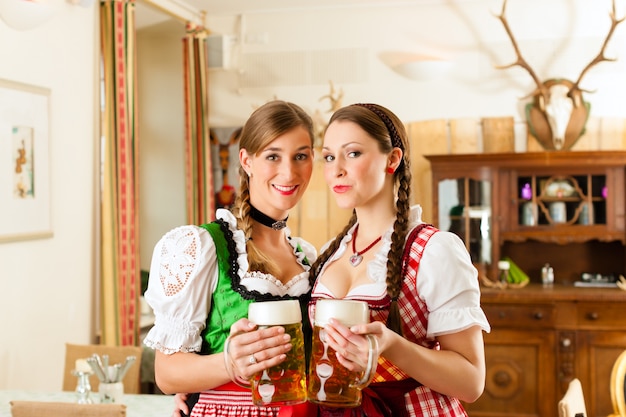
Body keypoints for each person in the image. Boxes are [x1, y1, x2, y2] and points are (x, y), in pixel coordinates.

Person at [306, 103, 491, 416]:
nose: (336, 168)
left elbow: (471, 382)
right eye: (328, 156)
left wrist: (391, 346)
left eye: (352, 153)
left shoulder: (434, 250)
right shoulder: (329, 253)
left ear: (392, 159)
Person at [143, 100, 318, 417]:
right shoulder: (202, 246)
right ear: (246, 160)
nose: (289, 171)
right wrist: (227, 363)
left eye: (301, 156)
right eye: (273, 156)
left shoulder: (308, 256)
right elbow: (167, 375)